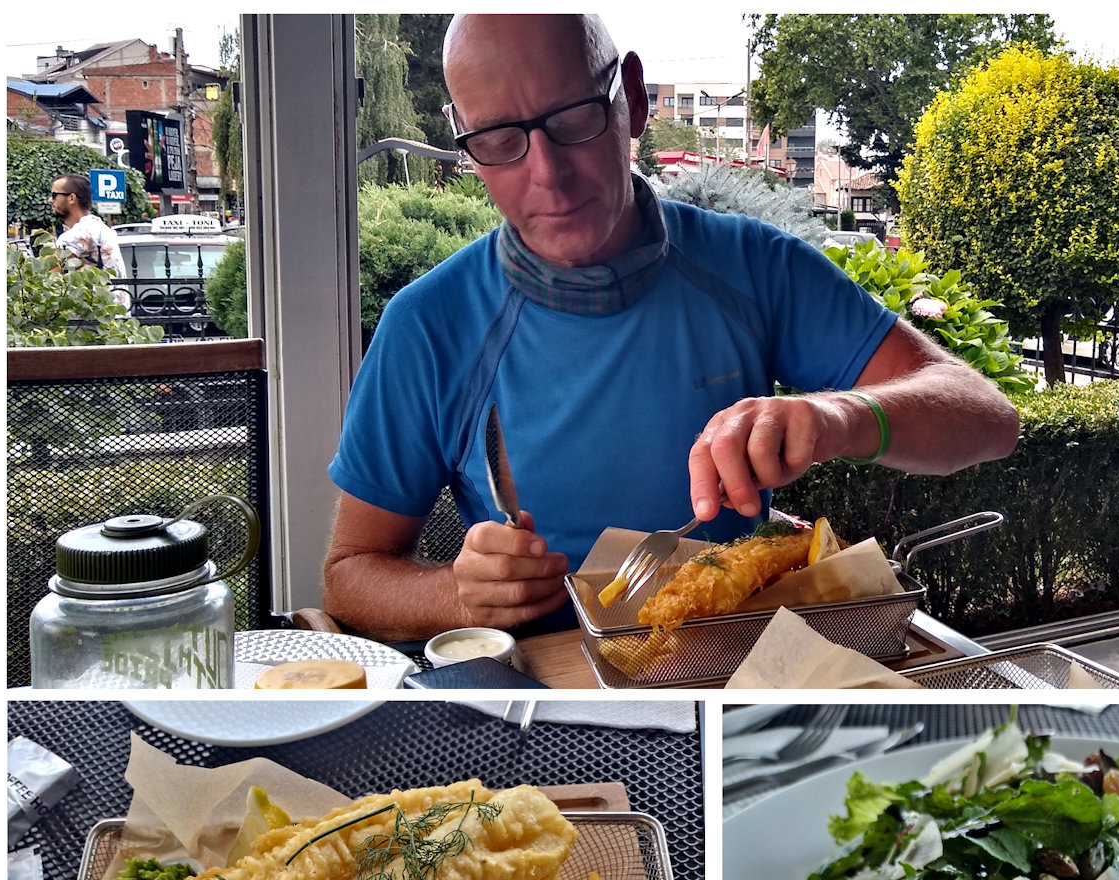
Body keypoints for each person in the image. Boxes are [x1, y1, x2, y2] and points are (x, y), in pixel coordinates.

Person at [323, 13, 1018, 641]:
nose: (550, 176)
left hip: (732, 669)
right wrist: (457, 594)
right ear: (465, 141)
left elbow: (988, 417)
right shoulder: (427, 325)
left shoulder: (751, 267)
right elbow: (349, 575)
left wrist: (838, 416)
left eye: (571, 119)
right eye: (500, 139)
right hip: (540, 698)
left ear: (631, 96)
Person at [49, 173, 129, 308]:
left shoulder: (80, 233)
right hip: (115, 317)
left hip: (92, 322)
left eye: (54, 195)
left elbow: (45, 273)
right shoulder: (99, 227)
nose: (50, 200)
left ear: (72, 198)